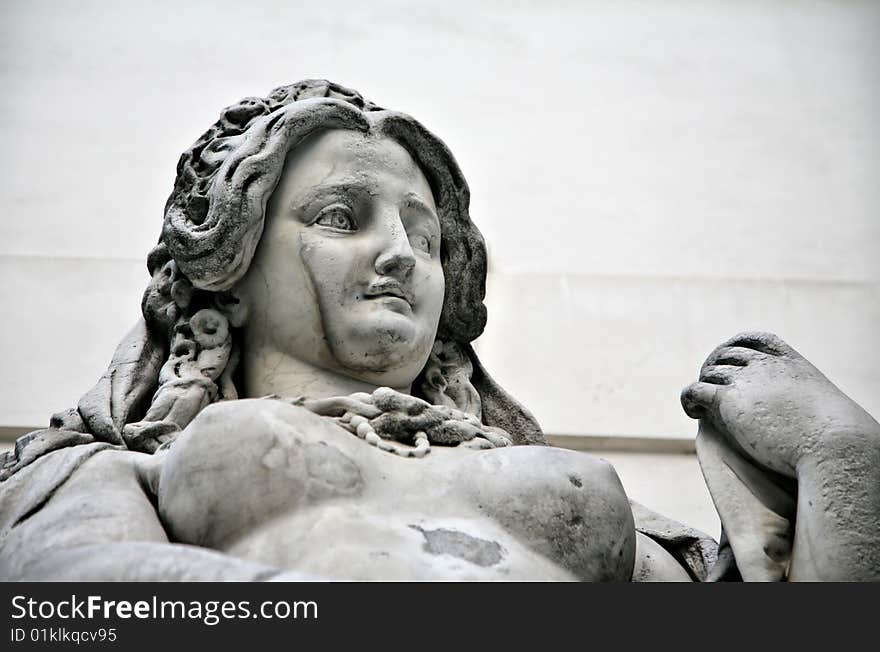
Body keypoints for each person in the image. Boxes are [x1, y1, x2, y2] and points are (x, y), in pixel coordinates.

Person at [1, 80, 877, 581]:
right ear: (227, 274)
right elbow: (70, 603)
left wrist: (839, 458)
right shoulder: (109, 467)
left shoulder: (596, 506)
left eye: (424, 237)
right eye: (341, 217)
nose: (401, 257)